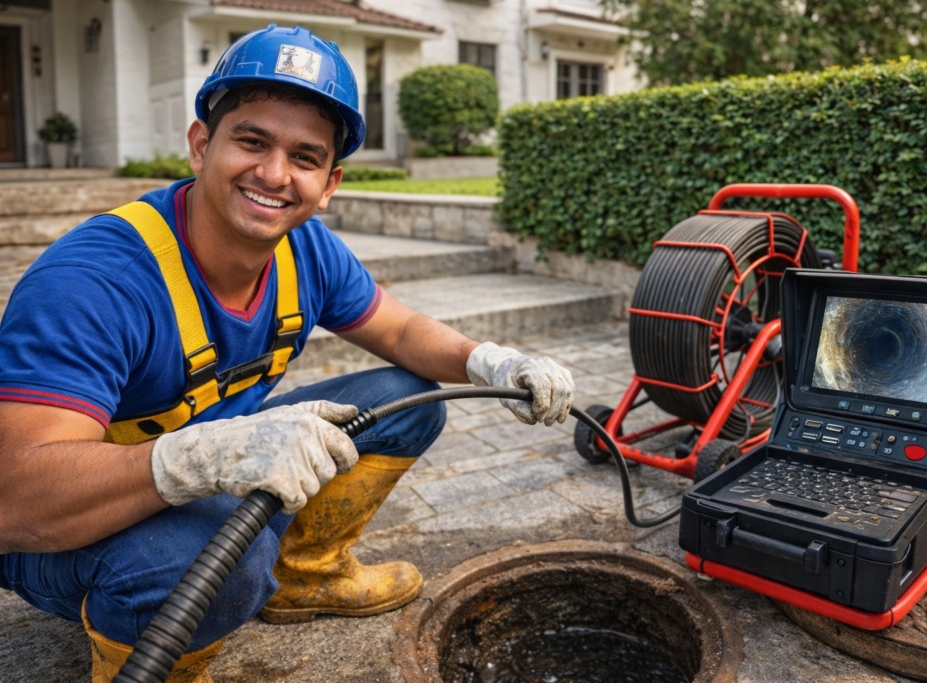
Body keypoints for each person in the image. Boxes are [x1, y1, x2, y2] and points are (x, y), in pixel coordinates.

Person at [0, 25, 575, 683]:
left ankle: (305, 574)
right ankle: (157, 655)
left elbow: (401, 331)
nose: (275, 174)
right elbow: (16, 499)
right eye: (251, 141)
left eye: (304, 156)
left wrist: (491, 361)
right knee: (214, 564)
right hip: (58, 537)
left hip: (199, 486)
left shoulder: (306, 251)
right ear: (199, 145)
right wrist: (202, 455)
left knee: (405, 402)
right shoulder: (95, 281)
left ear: (328, 183)